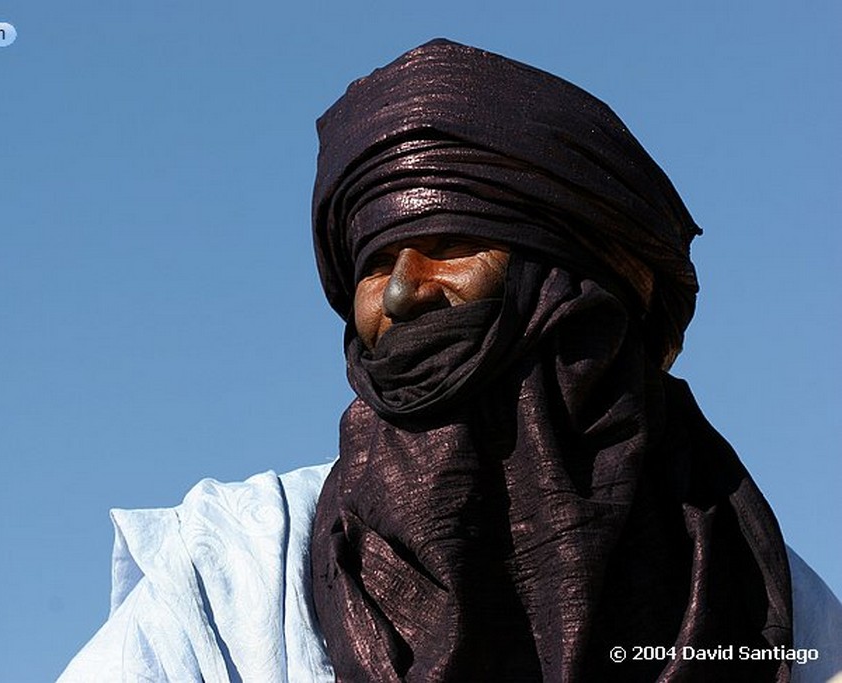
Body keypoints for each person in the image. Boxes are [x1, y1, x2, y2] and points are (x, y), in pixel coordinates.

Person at [58, 40, 841, 683]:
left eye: (448, 245)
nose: (399, 294)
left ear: (567, 279)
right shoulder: (238, 570)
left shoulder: (757, 590)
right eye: (373, 263)